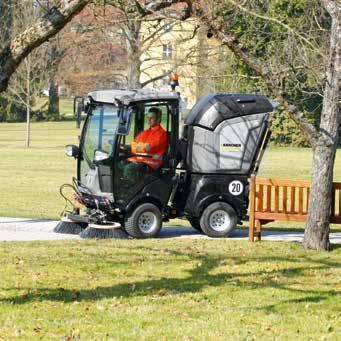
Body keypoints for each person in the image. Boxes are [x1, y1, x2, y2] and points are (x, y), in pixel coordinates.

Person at [122, 107, 168, 181]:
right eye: (148, 118)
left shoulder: (161, 134)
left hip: (151, 162)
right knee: (118, 163)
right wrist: (130, 146)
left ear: (158, 119)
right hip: (140, 159)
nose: (149, 120)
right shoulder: (145, 132)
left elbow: (147, 148)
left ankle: (130, 188)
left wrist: (133, 147)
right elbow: (134, 143)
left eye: (152, 118)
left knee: (129, 168)